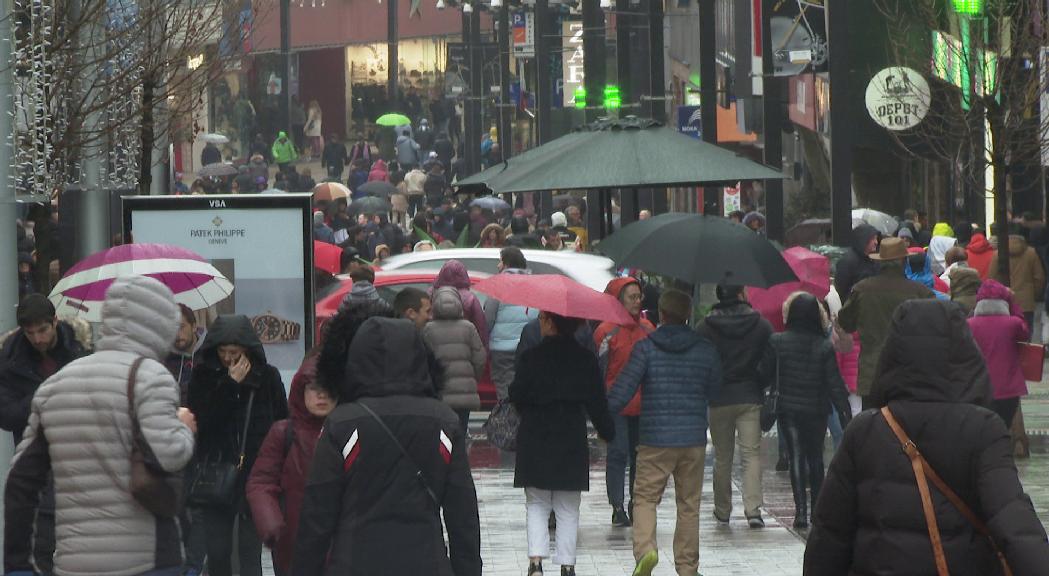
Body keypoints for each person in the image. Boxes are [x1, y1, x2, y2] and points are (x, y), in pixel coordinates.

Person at [804, 299, 1049, 575]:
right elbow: (1013, 520)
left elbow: (830, 534)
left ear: (893, 354)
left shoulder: (865, 431)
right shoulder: (982, 429)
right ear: (963, 352)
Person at [4, 276, 197, 576]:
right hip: (148, 557)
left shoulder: (55, 385)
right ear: (160, 325)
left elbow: (20, 481)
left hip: (75, 561)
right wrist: (184, 427)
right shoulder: (152, 377)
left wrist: (18, 566)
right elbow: (167, 455)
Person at [292, 317, 482, 575]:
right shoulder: (443, 422)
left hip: (354, 563)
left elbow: (317, 515)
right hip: (426, 562)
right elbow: (463, 515)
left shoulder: (343, 423)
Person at [607, 290, 722, 576]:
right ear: (687, 315)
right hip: (693, 439)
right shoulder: (705, 349)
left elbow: (624, 389)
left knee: (645, 498)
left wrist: (602, 414)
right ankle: (687, 567)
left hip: (655, 439)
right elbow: (717, 389)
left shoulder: (646, 347)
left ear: (661, 314)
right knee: (689, 505)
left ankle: (646, 552)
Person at [511, 311, 615, 576]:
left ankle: (535, 562)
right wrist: (607, 431)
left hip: (535, 435)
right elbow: (597, 402)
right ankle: (567, 565)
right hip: (570, 436)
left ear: (549, 322)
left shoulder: (530, 357)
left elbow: (516, 395)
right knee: (568, 506)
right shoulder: (585, 359)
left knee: (536, 503)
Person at [188, 315, 289, 576]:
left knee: (250, 552)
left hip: (256, 475)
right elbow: (203, 422)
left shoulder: (267, 377)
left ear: (247, 348)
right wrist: (229, 386)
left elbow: (281, 422)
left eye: (235, 351)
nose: (228, 357)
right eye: (223, 351)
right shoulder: (203, 376)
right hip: (217, 471)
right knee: (218, 551)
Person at [0, 295, 89, 573]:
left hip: (81, 464)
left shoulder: (80, 352)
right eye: (30, 333)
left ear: (55, 322)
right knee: (41, 552)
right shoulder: (10, 362)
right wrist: (49, 391)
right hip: (36, 469)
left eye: (43, 330)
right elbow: (8, 415)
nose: (37, 339)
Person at [766, 292, 851, 529]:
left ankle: (800, 512)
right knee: (815, 458)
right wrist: (845, 413)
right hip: (816, 408)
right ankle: (816, 510)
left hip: (788, 409)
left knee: (795, 455)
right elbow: (834, 384)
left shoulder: (777, 341)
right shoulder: (823, 347)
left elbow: (767, 373)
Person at [246, 356, 335, 576]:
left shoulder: (349, 431)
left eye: (328, 388)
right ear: (301, 391)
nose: (321, 394)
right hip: (293, 542)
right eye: (313, 388)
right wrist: (271, 521)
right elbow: (261, 481)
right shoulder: (283, 433)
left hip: (341, 542)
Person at [698, 284, 773, 529]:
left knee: (723, 457)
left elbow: (701, 362)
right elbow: (770, 359)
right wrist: (759, 380)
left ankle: (722, 509)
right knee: (750, 454)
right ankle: (753, 510)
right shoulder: (760, 325)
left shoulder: (705, 327)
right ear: (741, 294)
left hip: (719, 398)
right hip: (749, 394)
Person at [838, 237, 935, 409]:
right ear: (905, 261)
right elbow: (932, 330)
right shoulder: (921, 292)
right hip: (909, 372)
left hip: (871, 372)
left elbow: (846, 323)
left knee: (873, 426)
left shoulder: (862, 289)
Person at [593, 277, 655, 527]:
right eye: (632, 297)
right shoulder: (605, 332)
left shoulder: (648, 329)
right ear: (618, 300)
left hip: (643, 405)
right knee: (618, 454)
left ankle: (635, 502)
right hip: (615, 404)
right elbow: (599, 370)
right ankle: (617, 505)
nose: (637, 301)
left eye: (639, 297)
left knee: (640, 456)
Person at [423, 287, 486, 435]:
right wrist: (472, 378)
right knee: (460, 432)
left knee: (441, 433)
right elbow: (480, 358)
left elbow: (424, 361)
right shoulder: (468, 327)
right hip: (465, 391)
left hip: (439, 393)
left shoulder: (428, 329)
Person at [968, 280, 1030, 428]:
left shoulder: (969, 324)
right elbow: (1025, 333)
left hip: (979, 388)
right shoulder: (1013, 323)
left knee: (983, 429)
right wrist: (1013, 304)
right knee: (1003, 427)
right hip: (1008, 388)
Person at [483, 247, 539, 402]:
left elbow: (488, 318)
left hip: (502, 349)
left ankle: (509, 422)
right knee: (526, 388)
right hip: (529, 346)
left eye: (500, 261)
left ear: (507, 264)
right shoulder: (534, 284)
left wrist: (485, 339)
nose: (498, 266)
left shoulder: (498, 285)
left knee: (505, 390)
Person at [990, 232, 1045, 330]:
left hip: (1004, 302)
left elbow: (992, 278)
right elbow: (1039, 278)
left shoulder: (997, 255)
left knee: (1007, 332)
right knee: (1027, 332)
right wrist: (1034, 295)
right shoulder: (1031, 253)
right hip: (1026, 302)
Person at [432, 259, 489, 348]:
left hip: (437, 346)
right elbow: (480, 327)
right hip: (465, 345)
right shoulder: (470, 298)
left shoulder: (432, 294)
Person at [164, 303, 206, 405]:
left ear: (194, 327)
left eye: (181, 327)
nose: (177, 334)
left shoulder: (210, 354)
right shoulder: (164, 359)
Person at [834, 224, 880, 303]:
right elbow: (841, 289)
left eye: (876, 238)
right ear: (863, 239)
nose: (876, 242)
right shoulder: (847, 262)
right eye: (872, 239)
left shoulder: (874, 259)